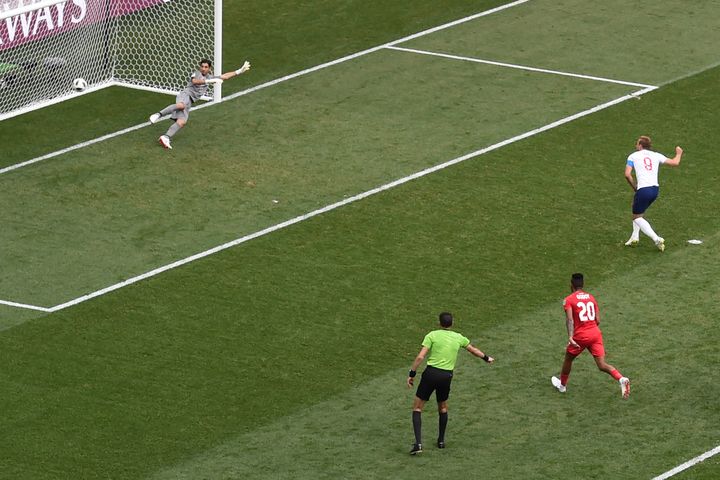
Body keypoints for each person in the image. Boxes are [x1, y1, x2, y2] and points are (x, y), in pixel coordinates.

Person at [406, 312, 494, 455]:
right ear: (452, 323)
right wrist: (486, 358)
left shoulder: (432, 335)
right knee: (443, 406)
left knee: (417, 408)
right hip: (446, 376)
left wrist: (412, 373)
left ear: (439, 323)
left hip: (430, 374)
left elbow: (421, 356)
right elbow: (473, 350)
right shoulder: (458, 337)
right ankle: (441, 441)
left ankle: (418, 444)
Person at [551, 273, 630, 399]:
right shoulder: (591, 298)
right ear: (583, 285)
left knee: (568, 359)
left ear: (571, 285)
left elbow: (569, 320)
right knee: (602, 365)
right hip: (595, 333)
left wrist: (571, 336)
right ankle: (621, 378)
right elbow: (598, 320)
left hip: (581, 336)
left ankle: (562, 386)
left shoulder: (569, 300)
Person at [149, 58, 251, 149]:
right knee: (181, 105)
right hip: (185, 95)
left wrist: (239, 71)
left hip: (190, 102)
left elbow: (224, 76)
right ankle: (158, 114)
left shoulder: (210, 77)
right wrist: (208, 82)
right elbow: (195, 82)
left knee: (181, 122)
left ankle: (166, 137)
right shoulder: (196, 74)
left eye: (206, 67)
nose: (203, 69)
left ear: (209, 69)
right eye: (202, 66)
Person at [623, 135, 683, 250]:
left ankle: (657, 239)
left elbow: (627, 174)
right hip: (654, 190)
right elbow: (675, 163)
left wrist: (634, 186)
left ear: (640, 145)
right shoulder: (656, 155)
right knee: (637, 208)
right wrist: (679, 153)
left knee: (636, 217)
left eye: (637, 143)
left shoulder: (633, 156)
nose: (636, 145)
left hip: (643, 190)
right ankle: (635, 237)